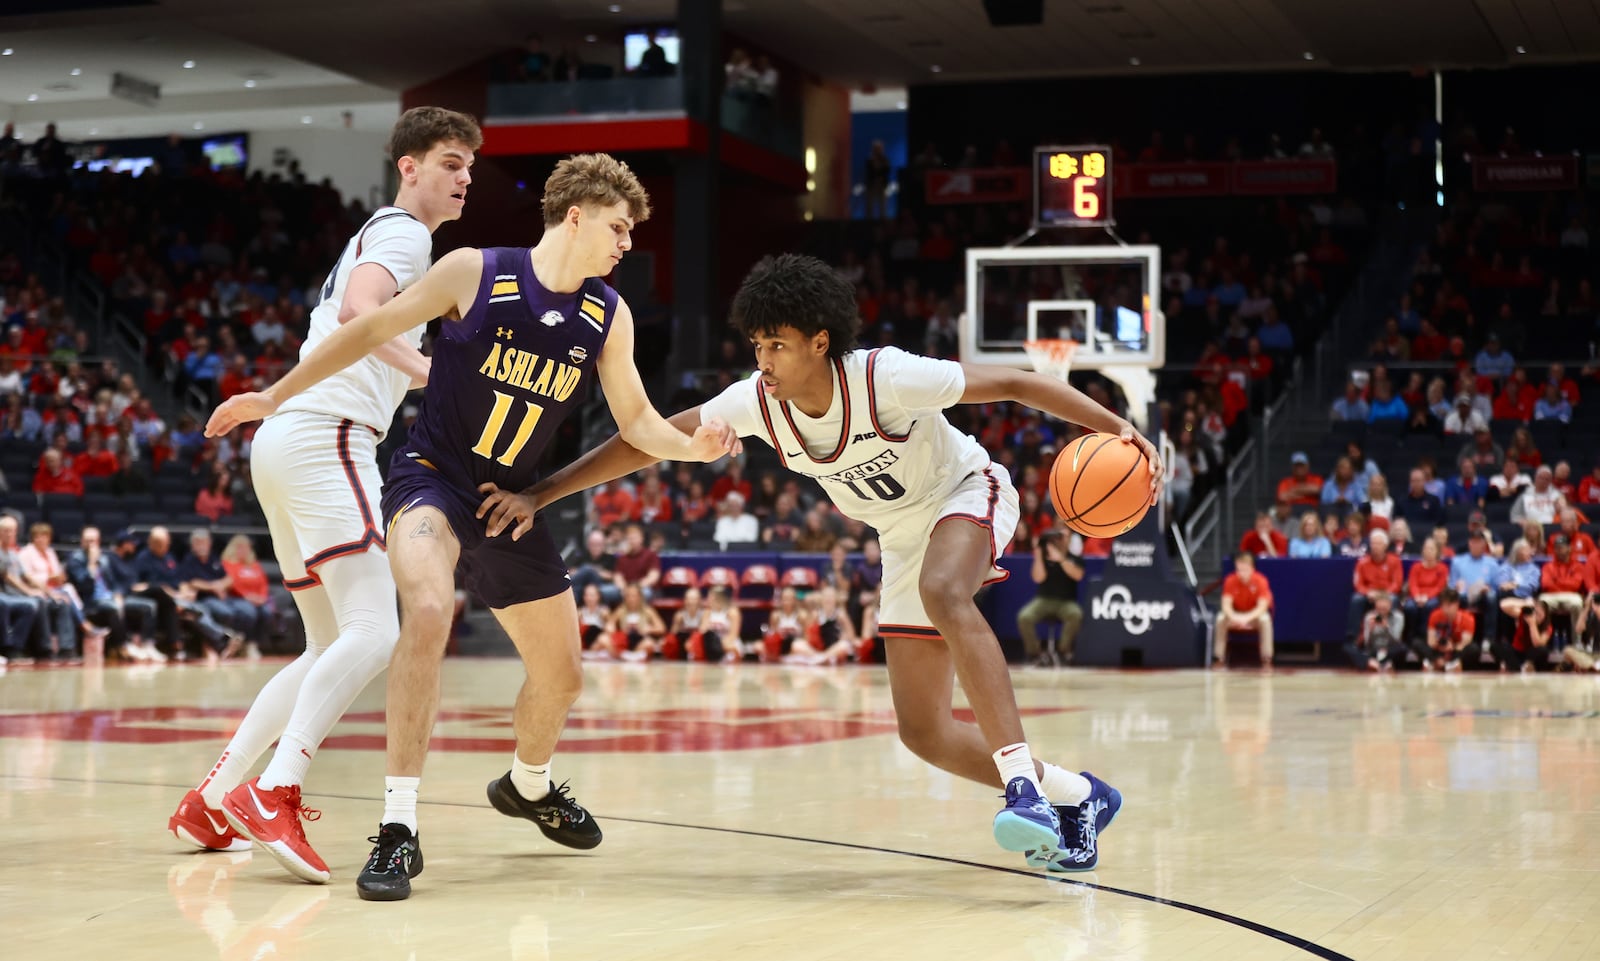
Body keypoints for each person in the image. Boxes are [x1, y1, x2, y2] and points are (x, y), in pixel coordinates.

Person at [514, 253, 1161, 872]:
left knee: (944, 590)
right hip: (901, 535)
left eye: (778, 345)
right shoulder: (753, 403)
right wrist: (541, 492)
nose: (762, 360)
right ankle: (1079, 794)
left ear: (820, 342)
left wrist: (1117, 428)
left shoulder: (888, 376)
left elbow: (1018, 382)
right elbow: (643, 442)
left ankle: (1023, 788)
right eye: (757, 345)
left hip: (966, 489)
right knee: (924, 731)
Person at [205, 152, 738, 901]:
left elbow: (640, 421)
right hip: (432, 479)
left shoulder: (605, 315)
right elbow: (367, 329)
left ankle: (528, 782)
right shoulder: (475, 271)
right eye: (619, 228)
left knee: (563, 678)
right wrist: (274, 393)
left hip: (512, 500)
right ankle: (398, 828)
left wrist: (692, 445)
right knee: (424, 608)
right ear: (577, 215)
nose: (627, 245)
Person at [171, 108, 485, 881]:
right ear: (408, 167)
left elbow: (350, 315)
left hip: (288, 438)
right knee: (378, 631)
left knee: (325, 642)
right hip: (328, 437)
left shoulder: (386, 232)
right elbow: (359, 311)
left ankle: (212, 798)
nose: (464, 177)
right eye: (450, 162)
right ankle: (274, 789)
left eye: (470, 167)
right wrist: (437, 375)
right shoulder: (407, 233)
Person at [1016, 530, 1083, 667]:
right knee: (1024, 617)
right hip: (1044, 599)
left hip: (1066, 602)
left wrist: (1061, 559)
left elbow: (1078, 575)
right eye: (1057, 537)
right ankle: (1035, 654)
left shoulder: (1074, 558)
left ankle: (1063, 652)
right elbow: (1038, 578)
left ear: (1069, 539)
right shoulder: (1044, 558)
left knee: (1075, 614)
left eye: (1064, 537)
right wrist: (1039, 553)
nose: (1060, 540)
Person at [1214, 550, 1274, 667]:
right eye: (1239, 569)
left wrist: (1246, 619)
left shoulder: (1261, 581)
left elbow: (1262, 607)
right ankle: (1219, 657)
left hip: (1253, 616)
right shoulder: (1230, 580)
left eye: (1244, 569)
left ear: (1252, 568)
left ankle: (1267, 658)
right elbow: (1226, 605)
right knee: (1220, 619)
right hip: (1236, 615)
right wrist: (1234, 617)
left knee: (1265, 620)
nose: (1241, 573)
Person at [1347, 590, 1403, 671]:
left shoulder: (1398, 617)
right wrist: (1370, 630)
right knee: (1348, 648)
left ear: (1390, 605)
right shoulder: (1369, 616)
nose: (1381, 611)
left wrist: (1386, 628)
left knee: (1402, 649)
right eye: (1379, 609)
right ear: (1375, 606)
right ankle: (1371, 662)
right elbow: (1367, 643)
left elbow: (1396, 640)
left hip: (1390, 650)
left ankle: (1385, 662)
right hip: (1374, 650)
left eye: (1384, 608)